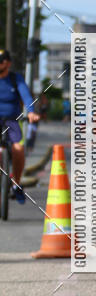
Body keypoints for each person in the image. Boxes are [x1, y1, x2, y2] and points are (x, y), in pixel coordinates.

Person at [0, 49, 40, 203]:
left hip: (12, 120)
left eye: (2, 60)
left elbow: (26, 96)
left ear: (8, 63)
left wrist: (31, 112)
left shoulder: (15, 79)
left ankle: (16, 183)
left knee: (18, 149)